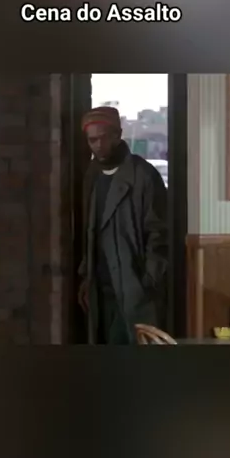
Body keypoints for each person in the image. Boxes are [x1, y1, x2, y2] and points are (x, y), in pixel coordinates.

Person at [78, 106, 168, 345]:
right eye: (92, 140)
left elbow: (159, 233)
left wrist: (148, 280)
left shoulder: (143, 175)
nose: (98, 145)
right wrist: (86, 277)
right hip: (101, 288)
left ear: (118, 135)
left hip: (135, 287)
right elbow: (89, 231)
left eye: (103, 138)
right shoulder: (92, 176)